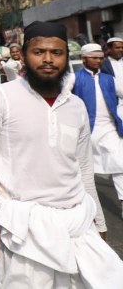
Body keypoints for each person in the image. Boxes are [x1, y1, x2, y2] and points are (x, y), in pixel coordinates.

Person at [0, 21, 123, 287]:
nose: (48, 59)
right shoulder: (0, 97)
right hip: (23, 227)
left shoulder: (75, 106)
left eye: (57, 52)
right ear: (25, 55)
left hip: (77, 222)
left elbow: (84, 169)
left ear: (67, 57)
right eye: (39, 52)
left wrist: (99, 222)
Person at [72, 43, 123, 218]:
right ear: (84, 58)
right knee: (80, 169)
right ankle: (82, 207)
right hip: (84, 130)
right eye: (94, 58)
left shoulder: (109, 79)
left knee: (119, 164)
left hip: (109, 129)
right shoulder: (74, 78)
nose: (98, 61)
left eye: (100, 58)